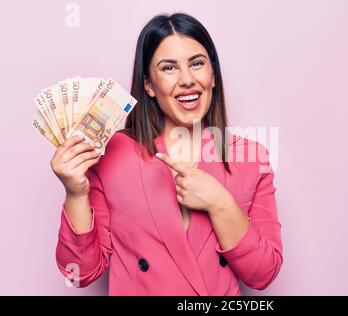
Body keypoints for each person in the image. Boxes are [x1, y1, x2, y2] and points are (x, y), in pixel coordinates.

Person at [51, 12, 283, 295]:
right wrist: (75, 194)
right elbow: (80, 274)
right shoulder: (111, 154)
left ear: (212, 75)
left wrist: (220, 202)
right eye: (169, 68)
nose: (187, 79)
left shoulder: (251, 157)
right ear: (148, 84)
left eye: (197, 64)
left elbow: (263, 274)